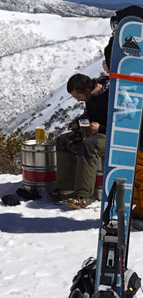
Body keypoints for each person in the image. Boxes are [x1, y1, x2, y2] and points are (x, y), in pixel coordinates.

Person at [104, 5, 143, 231]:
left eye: (118, 25)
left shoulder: (138, 48)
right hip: (139, 115)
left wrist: (114, 42)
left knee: (141, 163)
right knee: (135, 164)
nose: (114, 30)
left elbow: (116, 60)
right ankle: (142, 208)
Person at [49, 74, 109, 209]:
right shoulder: (90, 97)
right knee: (64, 140)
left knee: (88, 145)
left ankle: (83, 195)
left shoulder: (110, 94)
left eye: (78, 96)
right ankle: (66, 188)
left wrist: (101, 128)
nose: (78, 100)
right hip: (95, 131)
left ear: (85, 90)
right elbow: (90, 115)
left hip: (111, 135)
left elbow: (121, 121)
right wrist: (78, 123)